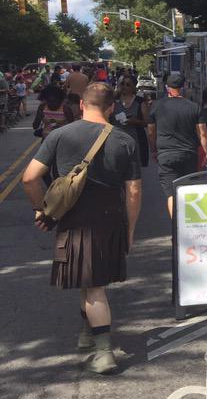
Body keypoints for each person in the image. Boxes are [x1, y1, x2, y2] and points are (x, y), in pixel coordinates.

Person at [21, 82, 142, 375]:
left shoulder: (60, 135)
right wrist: (130, 229)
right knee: (91, 281)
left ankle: (104, 353)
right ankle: (89, 336)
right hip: (110, 218)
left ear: (82, 105)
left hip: (74, 220)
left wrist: (42, 210)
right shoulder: (125, 140)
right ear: (112, 108)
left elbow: (29, 178)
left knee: (94, 286)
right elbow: (134, 191)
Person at [148, 73, 207, 217]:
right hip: (188, 154)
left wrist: (153, 149)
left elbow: (151, 131)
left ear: (167, 88)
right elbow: (203, 133)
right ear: (183, 88)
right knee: (187, 191)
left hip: (166, 154)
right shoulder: (194, 107)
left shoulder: (156, 106)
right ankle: (186, 226)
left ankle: (175, 229)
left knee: (171, 194)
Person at [113, 77, 151, 167]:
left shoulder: (139, 102)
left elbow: (147, 121)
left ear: (133, 87)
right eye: (122, 84)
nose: (125, 87)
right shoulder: (114, 101)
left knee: (134, 169)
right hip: (117, 140)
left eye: (128, 84)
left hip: (136, 140)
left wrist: (135, 121)